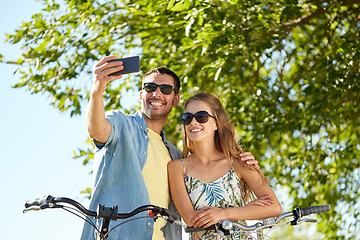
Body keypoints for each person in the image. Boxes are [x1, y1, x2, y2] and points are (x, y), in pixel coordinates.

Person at [81, 56, 260, 240]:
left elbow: (207, 177)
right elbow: (97, 130)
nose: (157, 94)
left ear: (175, 99)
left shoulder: (175, 156)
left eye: (165, 89)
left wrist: (242, 165)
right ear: (141, 95)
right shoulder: (122, 126)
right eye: (150, 88)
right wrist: (96, 92)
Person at [168, 92, 282, 240]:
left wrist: (224, 214)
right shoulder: (177, 168)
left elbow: (274, 207)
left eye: (201, 116)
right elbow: (191, 219)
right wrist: (245, 210)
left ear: (216, 123)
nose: (193, 123)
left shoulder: (238, 162)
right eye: (187, 118)